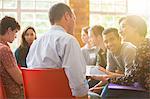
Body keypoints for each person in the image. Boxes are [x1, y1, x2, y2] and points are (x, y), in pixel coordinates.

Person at [26, 3, 90, 98]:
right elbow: (78, 83)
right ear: (67, 16)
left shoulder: (35, 43)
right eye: (74, 19)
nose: (74, 23)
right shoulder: (68, 40)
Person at [91, 27, 136, 94]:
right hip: (124, 82)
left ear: (120, 39)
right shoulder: (110, 51)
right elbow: (108, 75)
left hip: (137, 84)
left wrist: (108, 74)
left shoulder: (128, 49)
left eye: (112, 39)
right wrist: (96, 87)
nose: (109, 44)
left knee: (106, 92)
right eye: (106, 42)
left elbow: (130, 78)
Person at [0, 16, 24, 99]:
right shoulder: (4, 50)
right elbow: (19, 79)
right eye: (15, 32)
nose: (16, 36)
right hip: (15, 94)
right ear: (9, 30)